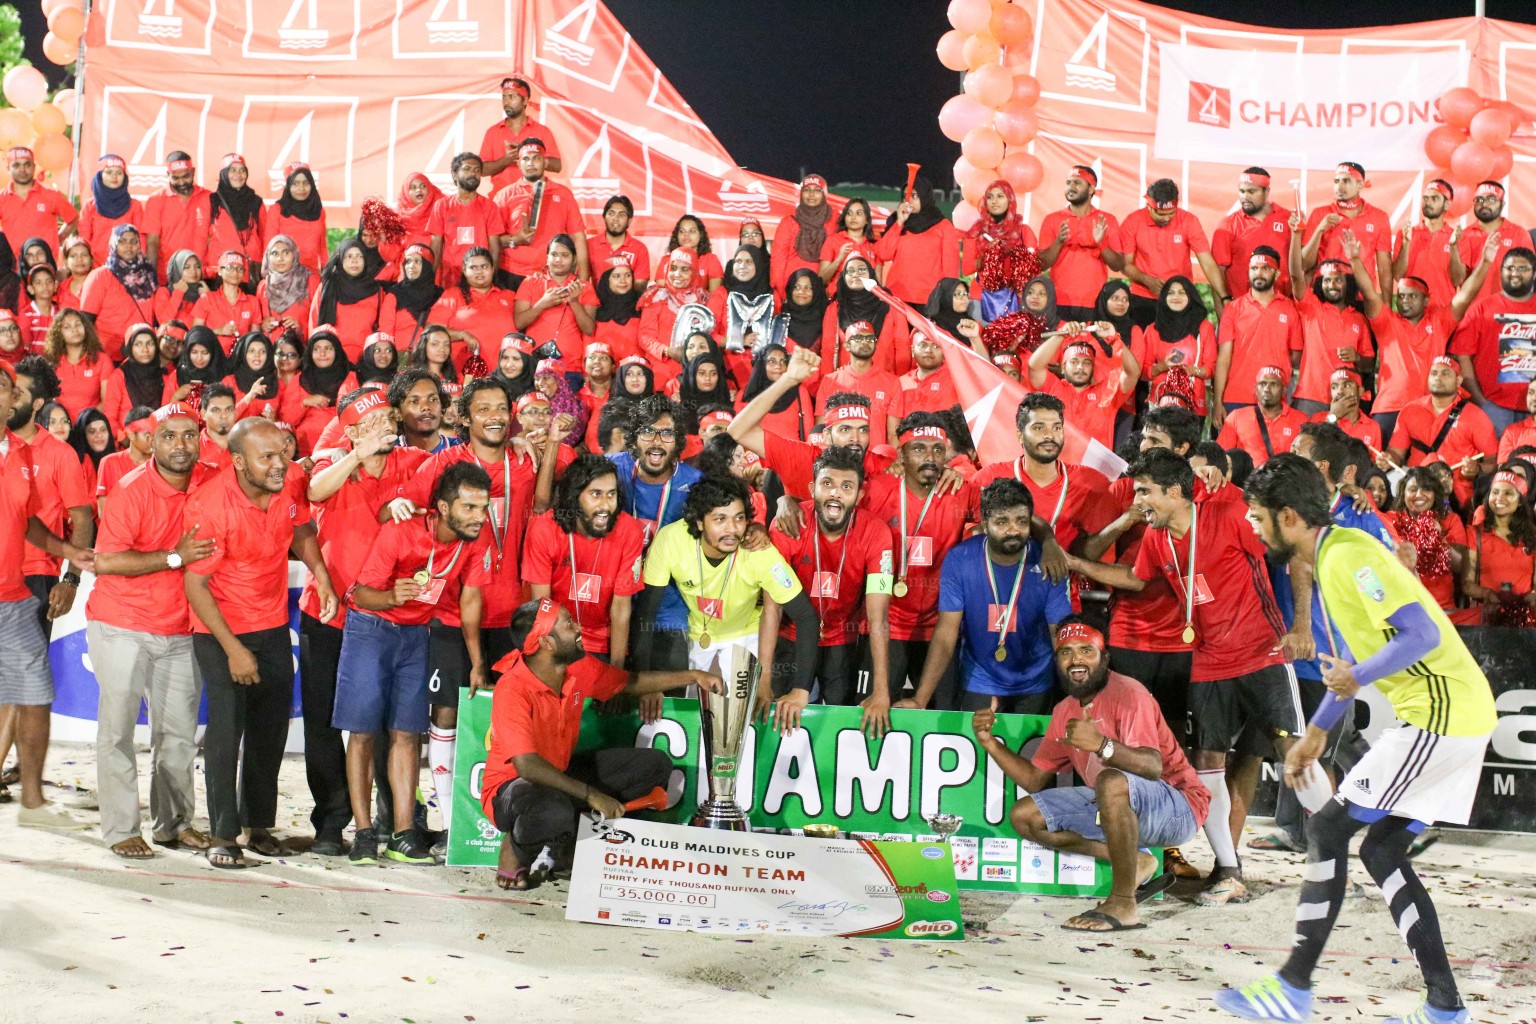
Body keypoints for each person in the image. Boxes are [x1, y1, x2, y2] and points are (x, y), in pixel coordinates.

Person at [1216, 454, 1495, 1024]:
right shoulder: (1335, 556)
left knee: (1326, 828)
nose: (1251, 523)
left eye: (1258, 514)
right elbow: (1356, 662)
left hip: (1442, 715)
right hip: (1451, 714)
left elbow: (1415, 633)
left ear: (1289, 517)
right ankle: (1444, 1008)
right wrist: (1315, 734)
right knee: (1380, 848)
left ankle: (1293, 987)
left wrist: (1358, 678)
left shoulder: (1348, 558)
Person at [1066, 449, 1298, 905]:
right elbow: (1134, 578)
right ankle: (1228, 872)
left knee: (1296, 752)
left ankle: (1334, 866)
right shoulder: (1158, 539)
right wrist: (1079, 565)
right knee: (1206, 761)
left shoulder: (1230, 516)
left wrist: (1304, 626)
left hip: (1262, 652)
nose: (1138, 501)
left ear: (1174, 491)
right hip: (1209, 660)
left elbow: (1294, 554)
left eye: (1146, 492)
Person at [975, 616, 1209, 931]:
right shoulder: (1064, 711)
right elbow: (1034, 780)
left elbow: (1153, 768)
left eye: (1087, 650)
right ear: (1057, 660)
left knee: (1109, 780)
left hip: (1178, 807)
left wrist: (1101, 745)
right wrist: (990, 744)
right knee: (1025, 815)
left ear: (1104, 657)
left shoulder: (1129, 693)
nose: (1076, 659)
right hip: (1115, 802)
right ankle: (1135, 862)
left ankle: (1124, 902)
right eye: (1066, 652)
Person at [481, 598, 718, 891]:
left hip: (560, 775)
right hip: (512, 788)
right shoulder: (513, 687)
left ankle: (566, 844)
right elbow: (526, 766)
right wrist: (592, 795)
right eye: (568, 624)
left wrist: (694, 676)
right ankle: (515, 851)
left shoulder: (577, 667)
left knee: (655, 765)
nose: (578, 627)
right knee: (551, 808)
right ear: (546, 643)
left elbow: (628, 682)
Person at [182, 418, 336, 868]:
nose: (279, 465)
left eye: (283, 454)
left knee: (270, 728)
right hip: (219, 628)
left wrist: (321, 575)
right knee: (227, 729)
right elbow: (196, 587)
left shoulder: (288, 482)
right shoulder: (209, 504)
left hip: (270, 623)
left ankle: (259, 825)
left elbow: (302, 526)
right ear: (237, 461)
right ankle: (223, 835)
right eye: (266, 457)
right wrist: (234, 649)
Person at [339, 460, 493, 865]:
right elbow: (360, 595)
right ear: (443, 507)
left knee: (408, 733)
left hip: (416, 635)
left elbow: (471, 602)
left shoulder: (475, 540)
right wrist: (392, 597)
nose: (480, 517)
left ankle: (403, 834)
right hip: (371, 629)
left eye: (484, 507)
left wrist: (477, 663)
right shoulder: (401, 532)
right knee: (364, 733)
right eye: (470, 508)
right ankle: (364, 832)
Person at [86, 402, 218, 858]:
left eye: (188, 435)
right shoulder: (129, 489)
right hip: (121, 624)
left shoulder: (210, 478)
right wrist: (174, 557)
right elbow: (104, 561)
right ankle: (121, 828)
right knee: (118, 732)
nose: (180, 445)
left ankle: (174, 825)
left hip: (181, 628)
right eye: (168, 436)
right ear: (150, 441)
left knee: (179, 737)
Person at [0, 359, 96, 830]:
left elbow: (54, 519)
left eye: (7, 389)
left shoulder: (39, 454)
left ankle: (29, 797)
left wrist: (70, 565)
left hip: (23, 585)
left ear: (21, 400)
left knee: (28, 690)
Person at [901, 477, 1070, 712]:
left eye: (1021, 521)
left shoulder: (1047, 562)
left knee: (1029, 749)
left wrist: (1080, 701)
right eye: (1002, 522)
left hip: (1036, 681)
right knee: (978, 746)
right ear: (984, 522)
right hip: (981, 680)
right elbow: (946, 633)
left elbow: (1059, 635)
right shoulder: (960, 560)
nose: (1013, 530)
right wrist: (920, 699)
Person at [636, 474, 817, 687]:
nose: (732, 529)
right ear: (699, 521)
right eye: (720, 519)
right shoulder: (670, 540)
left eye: (739, 518)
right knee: (695, 711)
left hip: (746, 634)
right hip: (698, 632)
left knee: (743, 713)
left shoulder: (759, 551)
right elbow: (645, 613)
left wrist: (800, 690)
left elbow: (806, 617)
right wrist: (643, 684)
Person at [768, 445, 895, 727]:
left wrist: (881, 692)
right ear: (813, 488)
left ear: (859, 496)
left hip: (843, 639)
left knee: (839, 723)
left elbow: (878, 617)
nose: (836, 493)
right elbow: (772, 608)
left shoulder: (877, 533)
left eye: (846, 486)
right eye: (827, 484)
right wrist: (764, 681)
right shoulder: (787, 525)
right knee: (784, 720)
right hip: (791, 637)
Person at [1350, 230, 1488, 444]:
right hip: (1389, 408)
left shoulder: (1439, 322)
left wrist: (1486, 262)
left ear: (1426, 301)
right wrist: (1355, 260)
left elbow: (1465, 296)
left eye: (1413, 296)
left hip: (1428, 409)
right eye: (1402, 296)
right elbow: (1369, 292)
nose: (1405, 301)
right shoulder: (1387, 321)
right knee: (1383, 470)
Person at [523, 452, 646, 672]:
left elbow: (620, 608)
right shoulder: (544, 529)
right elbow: (543, 606)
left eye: (611, 494)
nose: (605, 505)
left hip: (603, 643)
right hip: (557, 640)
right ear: (574, 496)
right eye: (595, 494)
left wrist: (616, 672)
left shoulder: (630, 531)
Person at [1384, 356, 1497, 509]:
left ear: (1459, 381)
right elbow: (1396, 454)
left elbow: (1494, 462)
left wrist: (1477, 469)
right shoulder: (1410, 410)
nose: (1438, 377)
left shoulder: (1476, 416)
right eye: (1434, 373)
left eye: (1445, 373)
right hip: (1414, 491)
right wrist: (1387, 459)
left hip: (1455, 497)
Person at [1450, 246, 1536, 436]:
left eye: (1523, 269)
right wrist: (1480, 401)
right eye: (1510, 268)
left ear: (1534, 273)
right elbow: (1462, 356)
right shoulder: (1481, 308)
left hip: (1534, 408)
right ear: (1501, 271)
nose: (1515, 273)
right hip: (1495, 408)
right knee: (1496, 463)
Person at [1213, 247, 1302, 427]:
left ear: (1276, 274)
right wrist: (1217, 402)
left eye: (1265, 268)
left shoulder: (1290, 308)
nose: (1258, 273)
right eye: (1254, 268)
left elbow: (1296, 357)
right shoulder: (1233, 308)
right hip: (1236, 396)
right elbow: (1223, 358)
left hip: (1275, 399)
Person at [1288, 226, 1371, 416]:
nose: (1331, 285)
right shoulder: (1311, 308)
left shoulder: (1359, 318)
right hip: (1310, 397)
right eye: (1326, 280)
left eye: (1337, 280)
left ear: (1348, 284)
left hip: (1345, 399)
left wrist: (1357, 358)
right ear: (1319, 284)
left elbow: (1369, 364)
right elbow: (1295, 275)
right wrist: (1296, 234)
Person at [1119, 179, 1226, 326]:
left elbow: (1208, 263)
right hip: (1143, 299)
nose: (1166, 218)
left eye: (1171, 213)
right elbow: (1124, 264)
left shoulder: (1189, 221)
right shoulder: (1133, 221)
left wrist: (1224, 296)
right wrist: (1146, 280)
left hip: (1181, 299)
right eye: (1160, 213)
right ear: (1148, 206)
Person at [1028, 325, 1139, 450]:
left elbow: (1132, 373)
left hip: (1094, 468)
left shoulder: (1106, 393)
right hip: (1058, 467)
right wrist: (1060, 335)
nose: (1080, 367)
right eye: (1074, 362)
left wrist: (1114, 339)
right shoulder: (1052, 388)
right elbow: (1034, 366)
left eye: (1086, 363)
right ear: (1063, 368)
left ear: (1093, 369)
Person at [1038, 165, 1125, 321]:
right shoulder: (1052, 219)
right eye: (1068, 183)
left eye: (1077, 183)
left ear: (1091, 189)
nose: (1071, 187)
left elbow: (1117, 265)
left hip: (1096, 302)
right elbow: (1041, 264)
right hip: (1058, 300)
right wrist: (1058, 242)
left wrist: (1101, 243)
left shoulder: (1106, 220)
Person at [496, 139, 588, 285]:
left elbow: (578, 238)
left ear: (545, 162)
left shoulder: (564, 194)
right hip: (511, 274)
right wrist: (515, 239)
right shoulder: (504, 195)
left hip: (552, 275)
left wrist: (583, 282)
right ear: (519, 164)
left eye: (536, 158)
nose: (530, 163)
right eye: (525, 159)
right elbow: (492, 240)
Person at [875, 174, 972, 306]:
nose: (909, 201)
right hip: (896, 299)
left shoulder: (943, 226)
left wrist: (946, 302)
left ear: (925, 196)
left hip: (929, 302)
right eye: (905, 196)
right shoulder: (897, 223)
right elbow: (883, 254)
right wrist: (898, 223)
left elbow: (951, 270)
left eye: (914, 196)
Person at [1300, 162, 1392, 291]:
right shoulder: (1320, 214)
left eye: (1346, 181)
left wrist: (1386, 307)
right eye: (1336, 181)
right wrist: (1320, 229)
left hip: (1362, 296)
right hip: (1327, 295)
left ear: (1360, 185)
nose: (1339, 187)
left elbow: (1384, 268)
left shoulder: (1379, 217)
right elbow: (1304, 264)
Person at [1462, 468, 1536, 627]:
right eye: (1495, 492)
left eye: (1508, 493)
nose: (1499, 498)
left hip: (1527, 622)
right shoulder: (1475, 533)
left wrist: (1532, 596)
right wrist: (1487, 594)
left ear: (1520, 501)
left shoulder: (1533, 536)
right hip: (1487, 619)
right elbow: (1467, 584)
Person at [514, 234, 597, 367]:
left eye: (565, 255)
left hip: (570, 367)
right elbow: (519, 323)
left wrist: (574, 302)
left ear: (574, 259)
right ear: (547, 258)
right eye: (554, 254)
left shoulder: (584, 287)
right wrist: (542, 304)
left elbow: (589, 329)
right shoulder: (530, 283)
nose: (558, 259)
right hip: (535, 365)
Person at [1137, 276, 1215, 418]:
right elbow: (1142, 371)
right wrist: (1162, 366)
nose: (1176, 297)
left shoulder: (1204, 328)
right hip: (1160, 403)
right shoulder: (1152, 330)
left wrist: (1193, 370)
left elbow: (1211, 368)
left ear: (1191, 296)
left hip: (1193, 404)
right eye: (1171, 293)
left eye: (1182, 292)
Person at [429, 248, 517, 370]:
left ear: (492, 269)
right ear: (464, 271)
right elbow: (431, 330)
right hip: (463, 374)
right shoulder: (452, 295)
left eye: (484, 266)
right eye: (473, 267)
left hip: (505, 372)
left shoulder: (509, 296)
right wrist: (462, 335)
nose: (479, 271)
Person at [1212, 167, 1292, 302]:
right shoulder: (1227, 225)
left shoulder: (1288, 220)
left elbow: (1303, 265)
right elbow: (1217, 276)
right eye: (1242, 191)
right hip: (1240, 313)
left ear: (1266, 192)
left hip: (1283, 310)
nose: (1245, 197)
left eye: (1251, 191)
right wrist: (1224, 316)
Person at [428, 153, 506, 289]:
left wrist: (491, 279)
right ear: (455, 174)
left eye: (477, 170)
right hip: (450, 279)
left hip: (480, 280)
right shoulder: (441, 206)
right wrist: (429, 281)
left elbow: (495, 247)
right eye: (467, 169)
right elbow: (436, 247)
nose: (473, 173)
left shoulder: (489, 206)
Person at [823, 254, 907, 375]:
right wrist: (828, 382)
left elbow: (902, 347)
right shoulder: (835, 309)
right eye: (850, 271)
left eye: (861, 269)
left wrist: (902, 383)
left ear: (871, 274)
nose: (856, 274)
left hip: (885, 383)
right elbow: (828, 350)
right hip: (846, 385)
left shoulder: (891, 305)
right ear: (843, 277)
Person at [80, 224, 159, 354]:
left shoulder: (148, 275)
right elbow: (86, 320)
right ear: (114, 244)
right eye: (123, 241)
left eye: (133, 241)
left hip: (142, 353)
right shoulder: (100, 276)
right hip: (108, 355)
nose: (129, 246)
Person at [478, 75, 563, 194]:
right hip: (500, 203)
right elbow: (482, 170)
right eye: (504, 97)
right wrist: (506, 160)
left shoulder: (542, 131)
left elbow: (557, 166)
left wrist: (529, 154)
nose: (506, 101)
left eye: (511, 97)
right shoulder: (492, 132)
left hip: (533, 200)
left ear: (525, 100)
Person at [312, 239, 393, 361]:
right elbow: (314, 323)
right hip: (330, 359)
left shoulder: (377, 291)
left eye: (359, 256)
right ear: (340, 259)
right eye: (349, 256)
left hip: (366, 360)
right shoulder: (327, 287)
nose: (354, 260)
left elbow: (382, 328)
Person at [1216, 365, 1310, 468]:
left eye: (1273, 384)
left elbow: (1307, 462)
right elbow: (1220, 457)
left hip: (1285, 481)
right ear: (1256, 389)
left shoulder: (1301, 420)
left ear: (1284, 390)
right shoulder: (1236, 417)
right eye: (1262, 384)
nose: (1266, 389)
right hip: (1246, 482)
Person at [144, 151, 214, 281]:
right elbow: (152, 243)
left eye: (186, 176)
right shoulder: (156, 200)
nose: (181, 182)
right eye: (175, 178)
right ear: (168, 175)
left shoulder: (210, 198)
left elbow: (214, 240)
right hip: (168, 278)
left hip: (202, 277)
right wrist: (151, 278)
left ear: (193, 172)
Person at [1393, 180, 1463, 308]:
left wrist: (1453, 248)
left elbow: (1458, 280)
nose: (1428, 202)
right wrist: (1406, 243)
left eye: (1434, 198)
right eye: (1425, 198)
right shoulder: (1406, 234)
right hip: (1411, 313)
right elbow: (1398, 276)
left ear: (1447, 204)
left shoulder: (1457, 238)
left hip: (1443, 314)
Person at [1457, 180, 1529, 300]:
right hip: (1473, 312)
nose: (1484, 204)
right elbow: (1459, 279)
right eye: (1479, 200)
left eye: (1491, 199)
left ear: (1502, 204)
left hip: (1509, 311)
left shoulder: (1519, 233)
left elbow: (1528, 276)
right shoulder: (1464, 235)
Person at [0, 146, 78, 248]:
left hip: (45, 262)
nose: (22, 169)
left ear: (34, 167)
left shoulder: (51, 195)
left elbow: (73, 218)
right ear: (8, 169)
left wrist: (59, 238)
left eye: (27, 165)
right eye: (16, 165)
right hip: (11, 262)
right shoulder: (2, 198)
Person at [41, 308, 112, 421]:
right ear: (58, 333)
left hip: (91, 426)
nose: (74, 330)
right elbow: (46, 403)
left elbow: (107, 402)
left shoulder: (102, 360)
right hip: (61, 428)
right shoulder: (51, 362)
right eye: (67, 327)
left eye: (78, 325)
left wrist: (85, 423)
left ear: (86, 328)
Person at [771, 174, 835, 295]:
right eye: (807, 190)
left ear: (824, 194)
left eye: (817, 190)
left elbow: (839, 259)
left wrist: (831, 292)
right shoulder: (789, 222)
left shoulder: (835, 221)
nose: (811, 194)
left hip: (823, 291)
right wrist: (782, 293)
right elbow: (777, 261)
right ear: (801, 194)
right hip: (793, 290)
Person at [103, 323, 172, 434]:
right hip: (126, 443)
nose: (145, 349)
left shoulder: (164, 376)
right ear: (130, 347)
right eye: (138, 344)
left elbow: (167, 415)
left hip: (157, 441)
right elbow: (109, 417)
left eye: (149, 343)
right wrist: (124, 438)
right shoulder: (119, 376)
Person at [77, 154, 144, 262]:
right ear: (100, 175)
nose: (114, 177)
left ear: (125, 177)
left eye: (119, 173)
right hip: (95, 268)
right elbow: (84, 241)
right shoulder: (89, 206)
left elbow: (141, 241)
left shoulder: (135, 206)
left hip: (128, 269)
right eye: (109, 172)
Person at [265, 163, 327, 273]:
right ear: (288, 185)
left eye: (306, 183)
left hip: (311, 275)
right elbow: (269, 248)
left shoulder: (319, 211)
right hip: (283, 277)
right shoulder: (276, 210)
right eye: (295, 183)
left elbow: (322, 248)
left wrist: (327, 274)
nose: (301, 188)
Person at [207, 154, 266, 270]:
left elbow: (265, 237)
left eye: (242, 170)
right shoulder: (212, 201)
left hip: (250, 270)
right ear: (224, 173)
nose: (238, 175)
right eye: (232, 170)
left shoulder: (256, 202)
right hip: (221, 271)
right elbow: (202, 238)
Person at [386, 244, 443, 352]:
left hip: (431, 359)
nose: (411, 266)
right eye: (408, 261)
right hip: (402, 361)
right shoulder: (394, 294)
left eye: (418, 261)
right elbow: (386, 333)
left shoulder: (439, 295)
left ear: (427, 266)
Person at [257, 235, 316, 338]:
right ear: (267, 257)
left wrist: (301, 327)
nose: (280, 259)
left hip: (300, 347)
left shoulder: (310, 280)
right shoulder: (263, 286)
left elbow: (320, 320)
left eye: (286, 253)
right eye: (274, 253)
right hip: (270, 349)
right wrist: (262, 325)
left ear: (294, 254)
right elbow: (255, 320)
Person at [1309, 366, 1381, 449]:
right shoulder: (1318, 419)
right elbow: (1314, 452)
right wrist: (1333, 416)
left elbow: (1373, 460)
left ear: (1360, 391)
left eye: (1347, 385)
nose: (1339, 391)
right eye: (1334, 387)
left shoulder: (1373, 427)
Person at [587, 195, 650, 288]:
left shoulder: (639, 249)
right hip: (594, 301)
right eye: (611, 213)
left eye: (621, 215)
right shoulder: (589, 245)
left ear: (629, 220)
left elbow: (640, 287)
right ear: (604, 217)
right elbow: (581, 280)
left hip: (628, 302)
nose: (615, 218)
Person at [818, 197, 880, 284]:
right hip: (838, 296)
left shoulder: (874, 245)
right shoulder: (832, 240)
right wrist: (838, 259)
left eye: (859, 213)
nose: (853, 217)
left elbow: (878, 283)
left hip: (866, 296)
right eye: (849, 213)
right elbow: (822, 280)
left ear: (867, 220)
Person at [659, 215, 723, 293]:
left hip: (701, 304)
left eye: (692, 231)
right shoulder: (666, 260)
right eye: (682, 231)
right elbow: (661, 293)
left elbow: (714, 295)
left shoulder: (710, 259)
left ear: (701, 235)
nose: (686, 234)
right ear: (677, 235)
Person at [393, 171, 443, 252]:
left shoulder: (442, 208)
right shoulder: (398, 217)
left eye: (423, 186)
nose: (419, 190)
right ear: (406, 192)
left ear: (429, 188)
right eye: (413, 187)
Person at [197, 382, 237, 470]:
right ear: (203, 414)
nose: (224, 416)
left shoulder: (246, 446)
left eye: (229, 409)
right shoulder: (193, 447)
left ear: (235, 412)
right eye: (216, 410)